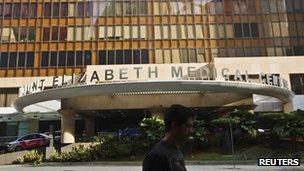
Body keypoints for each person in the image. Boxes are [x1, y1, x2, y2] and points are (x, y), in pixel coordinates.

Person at [143, 104, 194, 171]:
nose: (191, 131)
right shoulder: (157, 156)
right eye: (188, 126)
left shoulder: (174, 148)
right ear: (174, 126)